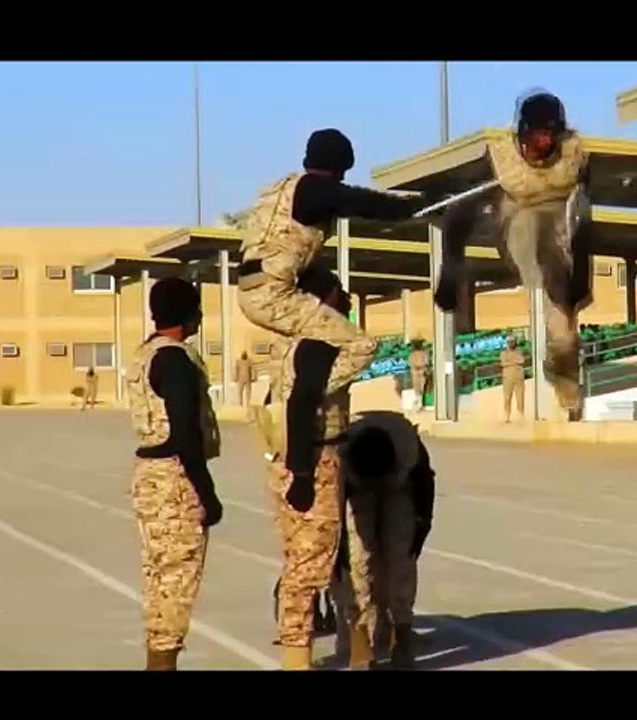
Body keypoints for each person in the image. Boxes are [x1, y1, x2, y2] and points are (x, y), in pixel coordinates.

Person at [236, 128, 434, 479]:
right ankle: (296, 405)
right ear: (341, 165)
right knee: (361, 345)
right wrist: (415, 206)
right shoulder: (317, 191)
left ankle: (284, 398)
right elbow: (364, 203)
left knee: (301, 347)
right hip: (273, 292)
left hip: (257, 286)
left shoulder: (279, 190)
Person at [433, 90, 594, 421]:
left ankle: (564, 376)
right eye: (535, 139)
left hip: (558, 227)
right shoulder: (498, 158)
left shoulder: (575, 157)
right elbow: (460, 214)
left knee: (564, 332)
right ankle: (548, 267)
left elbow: (584, 216)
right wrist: (449, 271)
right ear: (521, 134)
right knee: (533, 227)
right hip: (514, 221)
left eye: (549, 138)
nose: (542, 148)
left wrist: (581, 276)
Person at [258, 266, 360, 670]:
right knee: (309, 566)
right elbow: (301, 403)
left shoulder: (292, 342)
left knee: (301, 560)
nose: (347, 300)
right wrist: (302, 474)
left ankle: (297, 652)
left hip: (294, 456)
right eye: (340, 293)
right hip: (312, 460)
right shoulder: (318, 341)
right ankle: (296, 658)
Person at [124, 278, 223, 670]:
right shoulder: (176, 360)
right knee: (176, 584)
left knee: (158, 579)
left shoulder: (145, 354)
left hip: (150, 474)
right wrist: (207, 493)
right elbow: (185, 433)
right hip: (175, 478)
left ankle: (159, 660)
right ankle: (162, 664)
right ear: (186, 314)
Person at [335, 410, 435, 670]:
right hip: (359, 489)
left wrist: (418, 534)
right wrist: (340, 552)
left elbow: (425, 496)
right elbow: (335, 514)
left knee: (400, 555)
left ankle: (401, 633)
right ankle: (360, 636)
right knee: (358, 558)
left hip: (399, 487)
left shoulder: (411, 452)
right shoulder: (343, 458)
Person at [499, 335, 526, 422]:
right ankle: (507, 415)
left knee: (520, 397)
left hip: (518, 377)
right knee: (507, 397)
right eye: (509, 342)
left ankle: (521, 414)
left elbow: (522, 361)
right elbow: (503, 363)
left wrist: (510, 362)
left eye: (512, 341)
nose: (511, 343)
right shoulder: (504, 352)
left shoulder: (519, 351)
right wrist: (515, 362)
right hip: (507, 378)